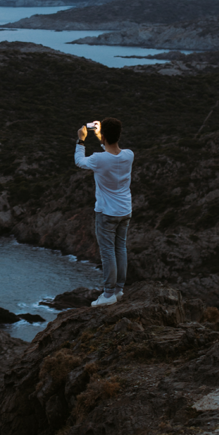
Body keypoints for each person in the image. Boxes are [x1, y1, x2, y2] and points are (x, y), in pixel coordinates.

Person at [75, 118, 134, 307]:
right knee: (120, 249)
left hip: (107, 213)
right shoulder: (129, 155)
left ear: (105, 137)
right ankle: (119, 290)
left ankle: (108, 294)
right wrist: (102, 136)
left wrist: (81, 140)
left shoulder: (98, 159)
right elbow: (113, 153)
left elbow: (79, 161)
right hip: (125, 210)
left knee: (108, 252)